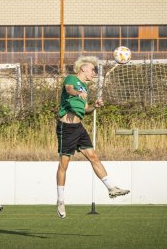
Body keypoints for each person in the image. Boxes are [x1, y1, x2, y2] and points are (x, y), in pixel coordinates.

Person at [56, 56, 130, 219]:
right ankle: (60, 200)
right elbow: (69, 89)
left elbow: (85, 109)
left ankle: (111, 188)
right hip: (66, 128)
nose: (94, 73)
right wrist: (77, 92)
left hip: (79, 127)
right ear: (83, 68)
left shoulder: (84, 87)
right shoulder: (72, 79)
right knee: (64, 164)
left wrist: (94, 107)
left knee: (93, 156)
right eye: (92, 69)